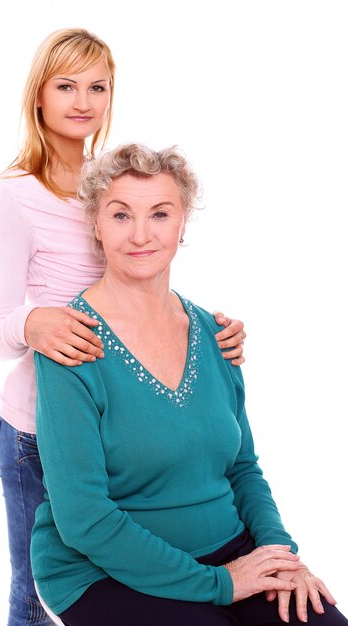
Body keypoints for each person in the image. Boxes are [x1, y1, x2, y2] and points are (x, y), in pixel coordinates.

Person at [0, 28, 246, 626]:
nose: (82, 101)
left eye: (96, 86)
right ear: (39, 96)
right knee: (33, 598)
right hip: (37, 427)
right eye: (66, 85)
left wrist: (209, 329)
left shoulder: (112, 182)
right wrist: (34, 321)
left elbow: (142, 277)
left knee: (134, 571)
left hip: (122, 418)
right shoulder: (15, 195)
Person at [31, 143, 347, 626]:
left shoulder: (217, 334)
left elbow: (243, 468)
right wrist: (220, 586)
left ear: (182, 224)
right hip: (103, 571)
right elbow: (84, 519)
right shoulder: (71, 343)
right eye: (121, 215)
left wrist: (281, 556)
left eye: (160, 213)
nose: (141, 234)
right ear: (95, 223)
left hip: (226, 548)